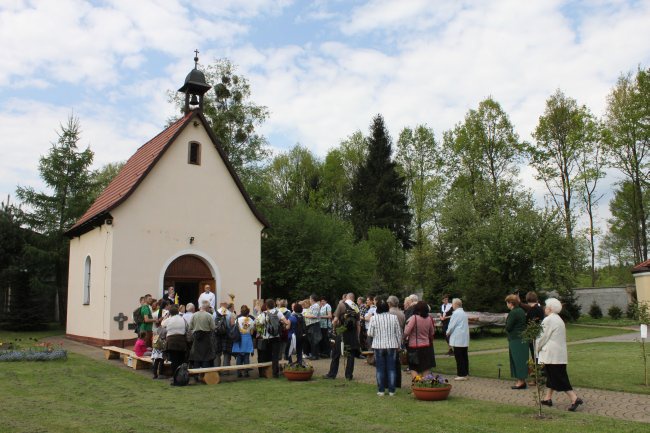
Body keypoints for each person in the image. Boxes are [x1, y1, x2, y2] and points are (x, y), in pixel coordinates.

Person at [536, 298, 584, 411]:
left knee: (559, 377)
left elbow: (542, 337)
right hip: (558, 354)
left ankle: (574, 398)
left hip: (551, 355)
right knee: (552, 376)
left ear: (550, 308)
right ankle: (548, 398)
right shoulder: (559, 319)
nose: (545, 308)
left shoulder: (548, 320)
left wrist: (536, 348)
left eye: (546, 306)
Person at [367, 299, 402, 396]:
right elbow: (398, 333)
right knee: (391, 368)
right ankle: (391, 390)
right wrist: (399, 345)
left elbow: (370, 333)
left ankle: (381, 390)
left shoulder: (374, 318)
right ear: (387, 307)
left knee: (380, 368)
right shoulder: (394, 318)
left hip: (378, 346)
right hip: (391, 345)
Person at [324, 293, 360, 380]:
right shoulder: (356, 307)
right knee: (350, 355)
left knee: (336, 354)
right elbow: (358, 324)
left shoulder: (341, 305)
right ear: (353, 298)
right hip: (352, 334)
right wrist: (357, 336)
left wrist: (333, 330)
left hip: (341, 331)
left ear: (347, 297)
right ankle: (348, 376)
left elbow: (335, 320)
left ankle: (332, 374)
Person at [255, 299, 290, 378]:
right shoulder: (278, 312)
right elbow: (286, 322)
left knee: (266, 355)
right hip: (276, 337)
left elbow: (258, 323)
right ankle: (275, 373)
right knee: (275, 356)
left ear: (266, 306)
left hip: (267, 338)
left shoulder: (264, 314)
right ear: (274, 305)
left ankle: (265, 373)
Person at [403, 301, 436, 379]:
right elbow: (432, 332)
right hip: (426, 346)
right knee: (425, 368)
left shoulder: (414, 318)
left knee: (414, 368)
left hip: (414, 347)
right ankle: (425, 388)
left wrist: (404, 338)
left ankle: (417, 387)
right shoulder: (429, 318)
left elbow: (406, 332)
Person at [505, 294, 528, 389]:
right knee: (521, 360)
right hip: (521, 338)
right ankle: (520, 380)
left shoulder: (513, 312)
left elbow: (509, 327)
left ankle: (521, 382)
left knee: (518, 360)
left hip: (516, 339)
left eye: (507, 302)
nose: (507, 304)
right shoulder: (521, 310)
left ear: (511, 303)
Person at [446, 298, 469, 381]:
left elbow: (452, 325)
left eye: (452, 304)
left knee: (459, 357)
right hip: (464, 339)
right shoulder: (464, 313)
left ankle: (461, 374)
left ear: (456, 304)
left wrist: (447, 332)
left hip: (458, 338)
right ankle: (465, 373)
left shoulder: (456, 313)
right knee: (464, 356)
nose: (452, 305)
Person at [161, 305, 187, 378]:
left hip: (171, 341)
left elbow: (162, 324)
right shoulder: (182, 319)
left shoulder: (169, 319)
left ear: (170, 313)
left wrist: (166, 316)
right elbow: (186, 327)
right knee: (181, 359)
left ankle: (175, 376)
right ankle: (181, 375)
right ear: (178, 312)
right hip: (181, 340)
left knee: (173, 360)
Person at [189, 301, 216, 369]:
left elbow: (190, 327)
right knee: (206, 357)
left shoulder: (194, 315)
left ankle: (196, 375)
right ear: (207, 308)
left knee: (197, 356)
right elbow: (213, 327)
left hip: (196, 337)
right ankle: (205, 375)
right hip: (206, 337)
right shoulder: (209, 316)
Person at [232, 305, 255, 377]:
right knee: (246, 356)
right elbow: (252, 331)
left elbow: (235, 328)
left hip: (239, 339)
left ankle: (239, 372)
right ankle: (246, 372)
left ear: (241, 312)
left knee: (239, 356)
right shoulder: (251, 320)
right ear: (248, 312)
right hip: (247, 338)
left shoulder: (237, 319)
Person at [387, 295, 405, 388]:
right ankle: (398, 383)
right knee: (397, 363)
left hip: (391, 339)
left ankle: (391, 382)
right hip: (399, 339)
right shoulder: (401, 313)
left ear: (390, 303)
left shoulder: (389, 313)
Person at [525, 291, 545, 364]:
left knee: (535, 353)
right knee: (538, 352)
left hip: (534, 334)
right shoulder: (540, 307)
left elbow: (530, 322)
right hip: (540, 332)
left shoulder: (533, 309)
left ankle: (538, 370)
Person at [214, 303, 234, 370]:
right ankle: (225, 371)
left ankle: (216, 370)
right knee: (226, 354)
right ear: (226, 306)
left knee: (217, 353)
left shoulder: (214, 313)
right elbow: (232, 324)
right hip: (227, 335)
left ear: (220, 306)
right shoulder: (229, 313)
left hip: (217, 335)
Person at [303, 294, 322, 360]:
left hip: (314, 325)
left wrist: (305, 315)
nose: (309, 300)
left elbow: (314, 315)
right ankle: (313, 354)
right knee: (311, 340)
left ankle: (315, 356)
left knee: (314, 340)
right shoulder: (313, 306)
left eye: (310, 298)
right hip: (311, 325)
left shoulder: (316, 306)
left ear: (313, 299)